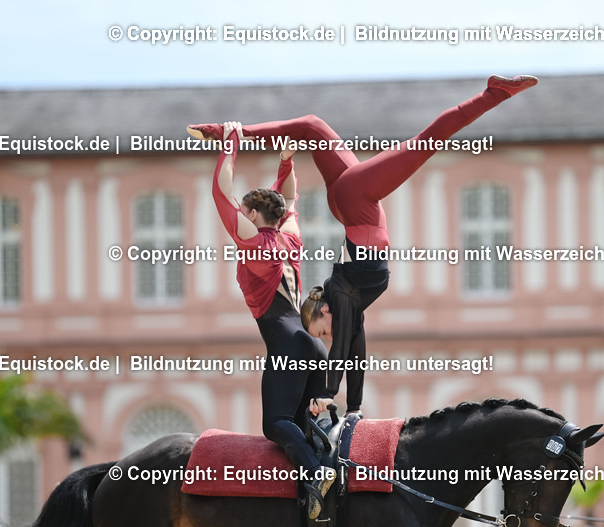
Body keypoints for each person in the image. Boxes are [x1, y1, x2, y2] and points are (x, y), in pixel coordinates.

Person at [191, 75, 538, 416]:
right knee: (312, 126)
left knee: (424, 141)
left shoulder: (342, 297)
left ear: (324, 311)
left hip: (355, 201)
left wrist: (327, 394)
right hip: (348, 203)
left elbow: (342, 351)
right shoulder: (347, 300)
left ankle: (494, 94)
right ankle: (231, 132)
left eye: (322, 331)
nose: (327, 337)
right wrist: (354, 408)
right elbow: (357, 354)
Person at [198, 120, 334, 519]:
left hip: (287, 344)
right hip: (314, 345)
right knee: (303, 425)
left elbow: (220, 191)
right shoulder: (290, 238)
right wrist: (286, 161)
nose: (239, 214)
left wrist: (232, 142)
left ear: (254, 214)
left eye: (245, 211)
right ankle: (320, 494)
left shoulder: (254, 242)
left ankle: (318, 474)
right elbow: (291, 200)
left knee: (276, 423)